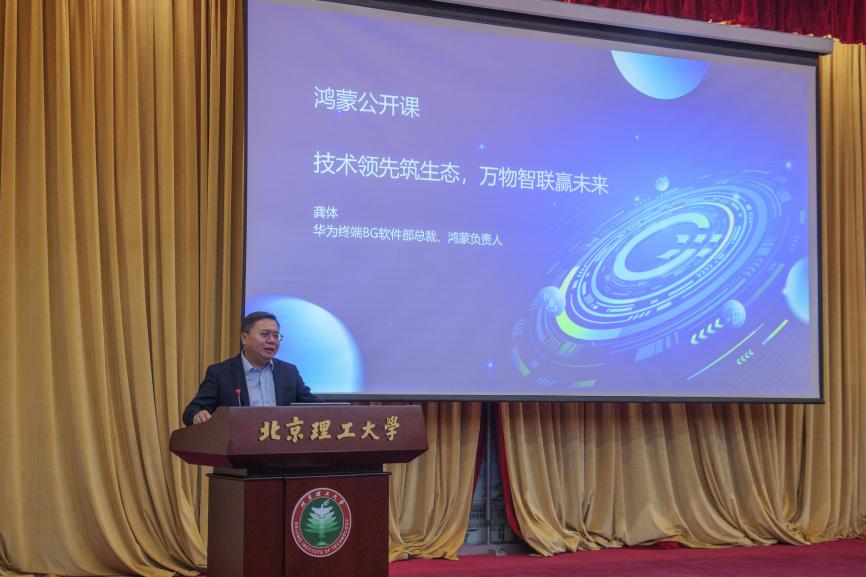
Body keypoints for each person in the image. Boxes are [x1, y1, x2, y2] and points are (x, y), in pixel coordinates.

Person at [182, 311, 321, 425]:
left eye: (276, 335)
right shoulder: (220, 373)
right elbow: (193, 410)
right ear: (244, 338)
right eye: (265, 334)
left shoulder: (289, 372)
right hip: (238, 447)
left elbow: (315, 406)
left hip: (281, 446)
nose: (272, 340)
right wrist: (198, 414)